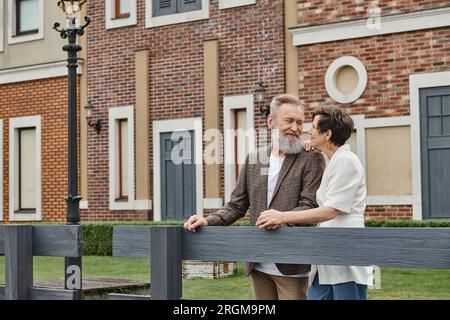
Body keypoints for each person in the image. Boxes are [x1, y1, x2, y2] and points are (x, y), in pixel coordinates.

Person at [184, 94, 325, 300]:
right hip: (258, 262)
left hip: (292, 264)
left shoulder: (311, 158)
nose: (295, 127)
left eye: (299, 122)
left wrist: (280, 218)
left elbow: (309, 206)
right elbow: (236, 205)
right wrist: (206, 220)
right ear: (271, 122)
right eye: (289, 121)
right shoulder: (254, 158)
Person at [256, 104, 373, 300]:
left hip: (345, 254)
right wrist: (311, 146)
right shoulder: (331, 160)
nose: (308, 131)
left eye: (313, 127)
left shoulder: (347, 161)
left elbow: (330, 211)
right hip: (325, 256)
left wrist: (281, 216)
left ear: (327, 134)